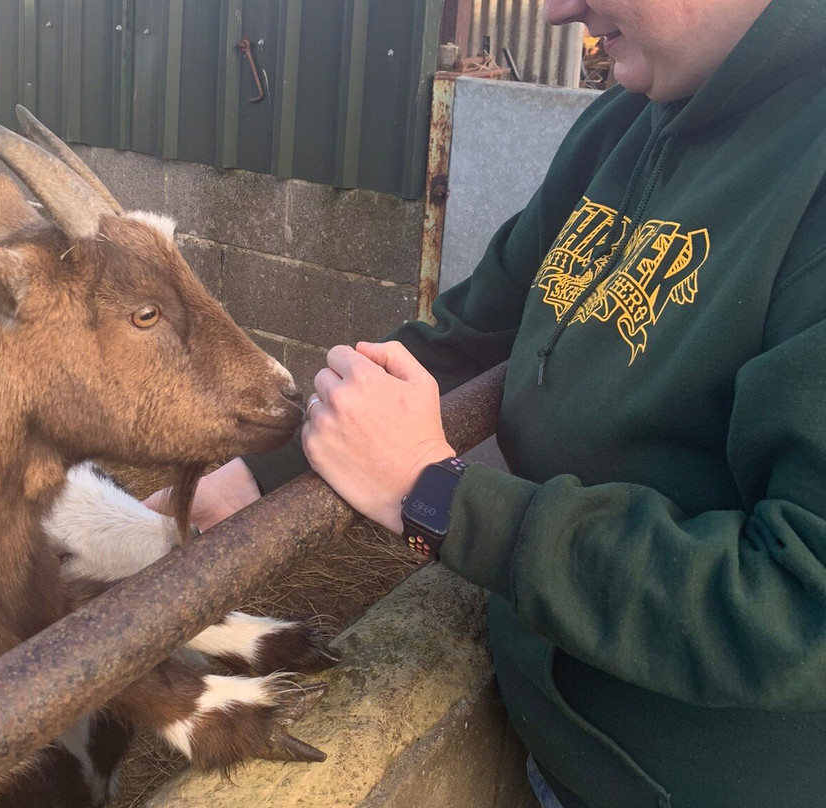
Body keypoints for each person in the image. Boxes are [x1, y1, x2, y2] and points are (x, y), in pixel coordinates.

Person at [150, 0, 826, 804]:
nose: (555, 10)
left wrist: (439, 497)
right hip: (552, 737)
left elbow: (796, 613)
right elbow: (474, 329)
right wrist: (261, 470)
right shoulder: (624, 123)